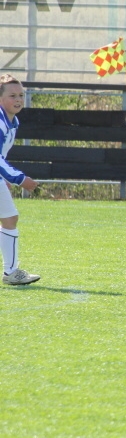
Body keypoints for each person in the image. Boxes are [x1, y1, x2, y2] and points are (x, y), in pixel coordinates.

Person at [0, 75, 40, 286]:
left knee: (10, 218)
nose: (18, 99)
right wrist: (20, 179)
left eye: (21, 95)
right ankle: (11, 272)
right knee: (9, 219)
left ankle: (11, 272)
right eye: (12, 95)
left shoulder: (11, 120)